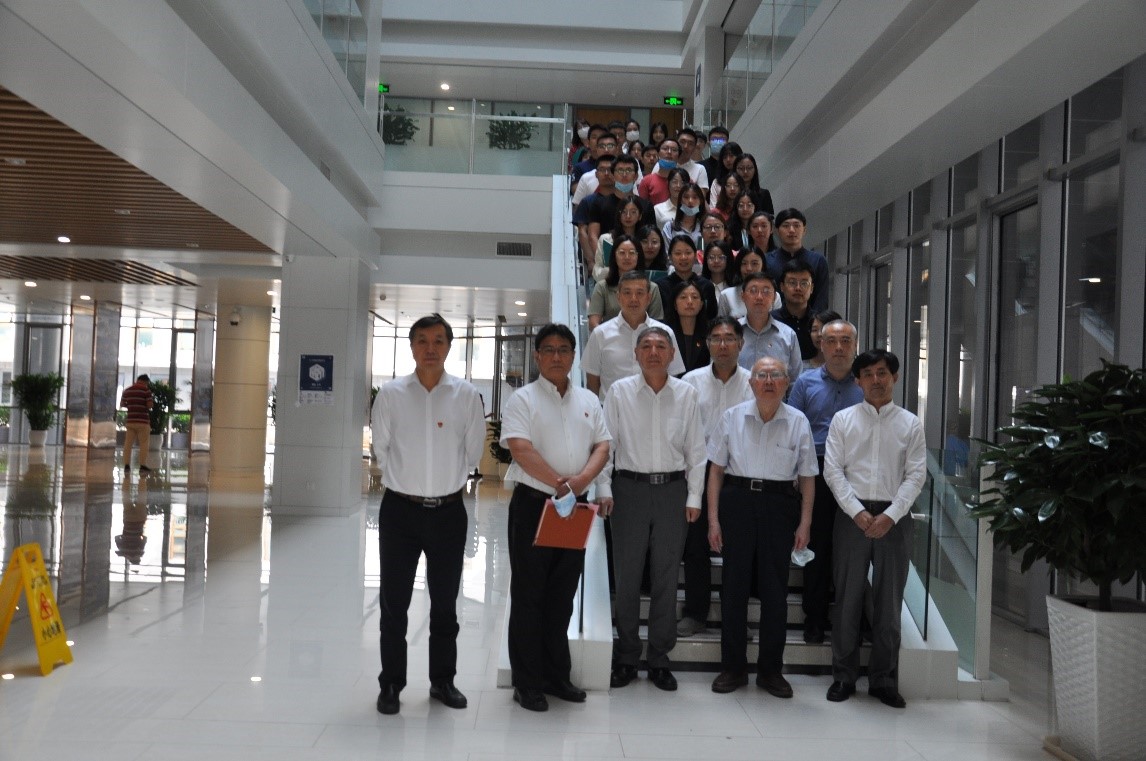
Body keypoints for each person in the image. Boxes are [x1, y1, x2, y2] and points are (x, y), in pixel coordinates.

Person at [371, 314, 486, 716]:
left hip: (448, 513)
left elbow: (473, 452)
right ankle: (391, 684)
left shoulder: (466, 396)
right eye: (422, 340)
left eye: (438, 340)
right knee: (394, 604)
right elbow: (381, 449)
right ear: (412, 347)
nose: (430, 348)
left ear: (449, 347)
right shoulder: (391, 394)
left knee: (445, 604)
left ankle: (443, 681)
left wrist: (442, 482)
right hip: (400, 513)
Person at [501, 324, 611, 712]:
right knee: (529, 596)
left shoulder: (589, 400)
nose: (556, 356)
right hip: (535, 505)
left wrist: (579, 483)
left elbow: (603, 446)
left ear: (574, 356)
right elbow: (520, 449)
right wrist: (559, 483)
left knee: (562, 596)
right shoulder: (522, 399)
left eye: (564, 349)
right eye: (548, 350)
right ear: (537, 356)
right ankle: (527, 682)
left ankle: (555, 675)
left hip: (573, 508)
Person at [600, 326, 706, 692]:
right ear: (636, 353)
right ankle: (627, 657)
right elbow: (607, 444)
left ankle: (660, 658)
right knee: (627, 578)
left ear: (672, 353)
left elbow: (696, 450)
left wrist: (694, 496)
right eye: (646, 346)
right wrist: (603, 486)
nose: (654, 352)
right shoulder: (619, 392)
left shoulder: (687, 394)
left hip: (673, 491)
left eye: (661, 346)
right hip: (628, 490)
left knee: (666, 576)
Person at [707, 356, 817, 696]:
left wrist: (805, 523)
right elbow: (715, 471)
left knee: (775, 592)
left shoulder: (798, 421)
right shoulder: (732, 417)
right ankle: (733, 668)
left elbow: (807, 477)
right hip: (737, 502)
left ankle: (771, 671)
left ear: (787, 382)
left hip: (779, 506)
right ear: (751, 382)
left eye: (776, 375)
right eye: (762, 375)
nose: (769, 381)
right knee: (733, 588)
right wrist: (713, 520)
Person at [823, 348, 926, 708]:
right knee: (847, 601)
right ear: (858, 381)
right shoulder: (843, 421)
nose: (876, 380)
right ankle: (843, 676)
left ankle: (883, 680)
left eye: (882, 373)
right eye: (867, 374)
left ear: (894, 377)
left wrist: (891, 515)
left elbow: (916, 475)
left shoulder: (910, 424)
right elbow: (833, 471)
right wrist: (856, 511)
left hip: (894, 520)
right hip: (851, 518)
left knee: (889, 604)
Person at [787, 319, 862, 645]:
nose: (839, 347)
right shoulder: (805, 383)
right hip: (814, 471)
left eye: (845, 341)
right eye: (831, 341)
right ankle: (814, 618)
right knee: (816, 546)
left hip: (855, 473)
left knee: (850, 549)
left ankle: (851, 619)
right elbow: (792, 429)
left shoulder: (865, 383)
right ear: (821, 344)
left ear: (855, 345)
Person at [677, 317, 752, 638]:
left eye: (729, 338)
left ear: (741, 344)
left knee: (738, 550)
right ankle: (696, 612)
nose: (723, 345)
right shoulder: (690, 382)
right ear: (707, 344)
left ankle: (736, 617)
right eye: (716, 339)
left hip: (739, 473)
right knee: (695, 546)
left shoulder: (754, 382)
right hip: (698, 469)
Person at [583, 271, 685, 397]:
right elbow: (592, 381)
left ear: (649, 298)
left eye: (640, 293)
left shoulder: (665, 333)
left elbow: (673, 375)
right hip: (612, 408)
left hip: (655, 406)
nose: (633, 299)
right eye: (627, 293)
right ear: (618, 297)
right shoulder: (600, 334)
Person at [588, 234, 664, 329]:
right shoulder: (602, 287)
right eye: (622, 253)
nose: (627, 257)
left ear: (638, 256)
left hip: (644, 337)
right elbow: (593, 323)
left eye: (632, 253)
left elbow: (656, 325)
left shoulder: (652, 288)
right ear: (614, 256)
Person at [737, 273, 802, 384]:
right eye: (753, 291)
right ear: (743, 296)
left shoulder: (788, 335)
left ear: (774, 297)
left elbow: (795, 381)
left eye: (766, 291)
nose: (759, 297)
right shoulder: (732, 332)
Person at [767, 208, 831, 313]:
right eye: (786, 226)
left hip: (809, 319)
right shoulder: (767, 260)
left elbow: (821, 299)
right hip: (775, 318)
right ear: (777, 231)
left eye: (797, 226)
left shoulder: (818, 260)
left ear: (804, 230)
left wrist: (815, 321)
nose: (791, 230)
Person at [655, 234, 718, 323]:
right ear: (670, 257)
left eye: (688, 253)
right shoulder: (660, 286)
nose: (683, 257)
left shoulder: (706, 285)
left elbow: (711, 319)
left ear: (695, 255)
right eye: (678, 253)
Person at [772, 259, 819, 361]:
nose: (798, 288)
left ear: (811, 288)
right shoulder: (771, 320)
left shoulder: (819, 321)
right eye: (792, 283)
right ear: (782, 287)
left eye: (804, 283)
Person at [665, 280, 710, 375]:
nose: (689, 302)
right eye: (683, 297)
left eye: (694, 297)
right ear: (675, 305)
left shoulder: (710, 333)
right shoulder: (665, 333)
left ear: (701, 305)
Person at [717, 247, 766, 319]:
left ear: (763, 266)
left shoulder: (774, 296)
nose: (749, 268)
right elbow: (721, 324)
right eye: (744, 263)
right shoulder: (726, 295)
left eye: (754, 263)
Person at [120, 374, 153, 473]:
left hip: (131, 421)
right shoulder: (146, 390)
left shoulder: (127, 390)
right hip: (143, 421)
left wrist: (131, 406)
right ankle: (142, 466)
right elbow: (150, 405)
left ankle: (126, 466)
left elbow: (122, 404)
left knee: (128, 444)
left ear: (137, 380)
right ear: (146, 381)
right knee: (144, 444)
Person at [638, 138, 680, 205]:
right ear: (658, 154)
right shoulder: (646, 181)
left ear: (678, 156)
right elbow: (642, 207)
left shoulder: (685, 180)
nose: (669, 152)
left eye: (674, 150)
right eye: (665, 149)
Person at [801, 310, 842, 374]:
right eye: (814, 330)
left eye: (824, 329)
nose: (819, 334)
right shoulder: (801, 368)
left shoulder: (847, 367)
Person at [674, 128, 710, 193]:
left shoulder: (700, 169)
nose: (685, 146)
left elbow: (701, 196)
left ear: (694, 147)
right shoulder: (664, 165)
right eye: (682, 142)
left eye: (690, 144)